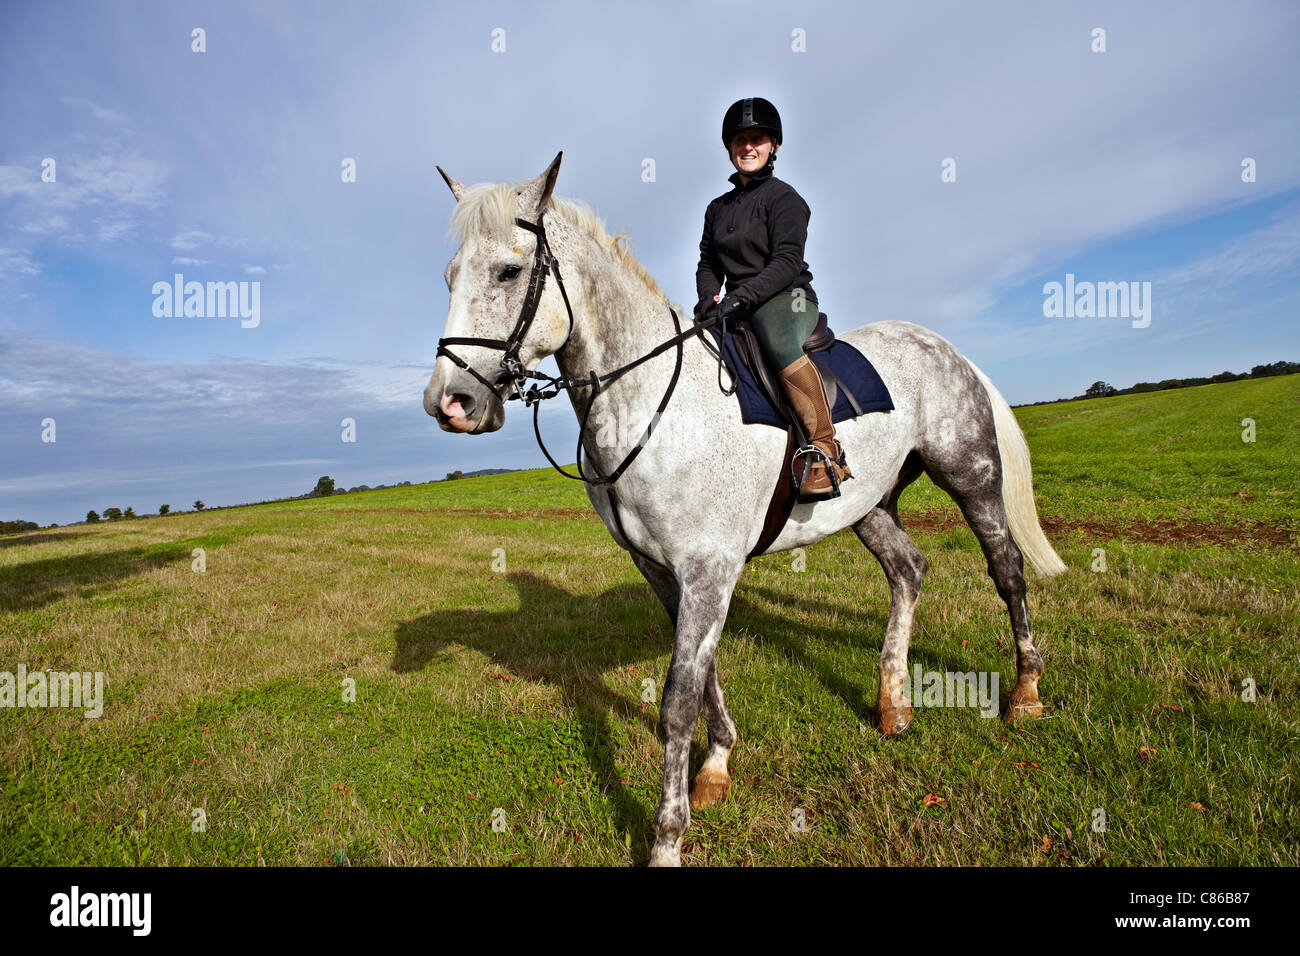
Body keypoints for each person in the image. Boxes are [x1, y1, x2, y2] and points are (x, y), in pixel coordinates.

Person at [695, 96, 852, 500]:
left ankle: (826, 450)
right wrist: (708, 298)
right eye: (740, 140)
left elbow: (786, 261)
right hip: (737, 303)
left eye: (758, 138)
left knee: (778, 341)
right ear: (730, 147)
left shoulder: (785, 199)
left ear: (773, 145)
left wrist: (742, 296)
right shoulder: (717, 209)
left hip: (787, 297)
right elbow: (707, 261)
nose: (748, 147)